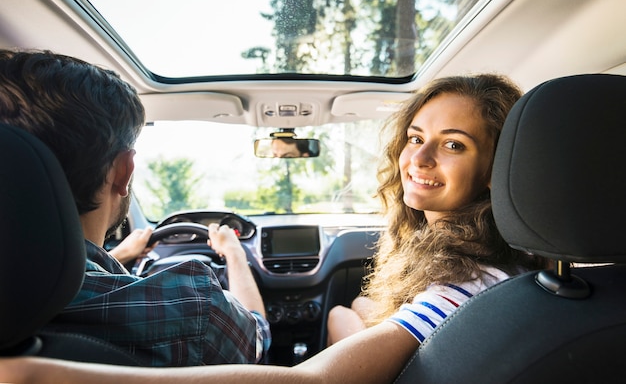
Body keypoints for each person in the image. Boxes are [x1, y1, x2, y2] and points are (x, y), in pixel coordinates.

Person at [0, 73, 549, 383]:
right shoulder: (531, 275)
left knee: (344, 313)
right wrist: (227, 256)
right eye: (415, 136)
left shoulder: (468, 282)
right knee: (349, 311)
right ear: (124, 174)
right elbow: (255, 338)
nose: (419, 157)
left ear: (497, 169)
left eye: (454, 144)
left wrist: (32, 376)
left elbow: (312, 381)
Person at [0, 48, 270, 367]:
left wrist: (119, 256)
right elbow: (256, 340)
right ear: (123, 171)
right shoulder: (194, 310)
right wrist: (235, 255)